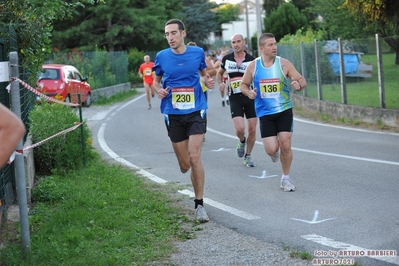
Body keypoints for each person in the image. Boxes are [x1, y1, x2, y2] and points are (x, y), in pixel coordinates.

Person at [152, 19, 214, 222]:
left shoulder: (197, 53)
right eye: (167, 34)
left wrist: (208, 81)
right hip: (173, 112)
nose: (170, 37)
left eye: (173, 33)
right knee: (186, 164)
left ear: (183, 33)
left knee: (195, 157)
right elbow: (156, 81)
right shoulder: (161, 56)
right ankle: (185, 165)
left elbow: (204, 75)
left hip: (196, 109)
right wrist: (158, 90)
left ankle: (199, 205)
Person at [239, 33, 307, 192]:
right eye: (270, 45)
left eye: (275, 44)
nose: (274, 47)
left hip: (284, 110)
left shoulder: (284, 64)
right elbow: (243, 84)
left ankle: (286, 178)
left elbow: (301, 79)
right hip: (265, 114)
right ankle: (274, 152)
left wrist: (299, 85)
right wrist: (248, 93)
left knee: (285, 144)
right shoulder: (254, 66)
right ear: (262, 48)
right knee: (271, 149)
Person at [217, 34, 257, 167]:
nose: (236, 44)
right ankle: (241, 141)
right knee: (240, 129)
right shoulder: (227, 59)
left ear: (244, 43)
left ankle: (248, 155)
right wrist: (221, 84)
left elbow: (258, 77)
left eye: (238, 41)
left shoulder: (252, 60)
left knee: (252, 130)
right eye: (233, 42)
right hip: (234, 97)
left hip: (250, 97)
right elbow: (219, 73)